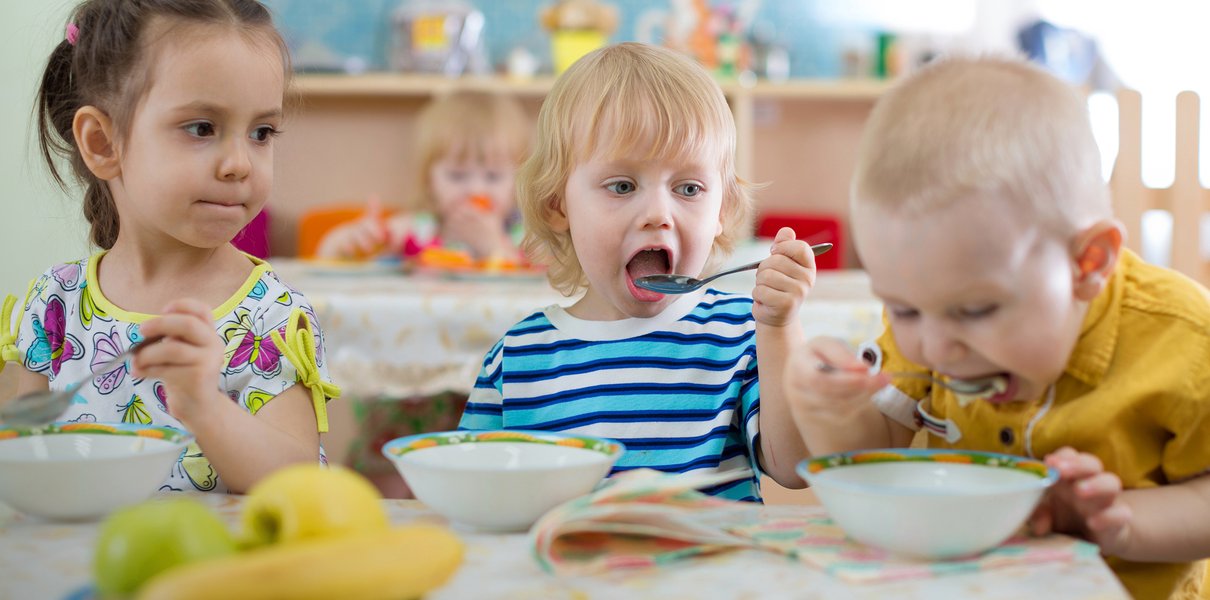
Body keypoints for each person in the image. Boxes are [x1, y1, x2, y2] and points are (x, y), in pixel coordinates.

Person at [786, 56, 1210, 599]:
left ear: (1089, 263)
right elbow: (875, 456)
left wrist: (1122, 519)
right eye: (904, 309)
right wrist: (831, 413)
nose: (935, 348)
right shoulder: (930, 320)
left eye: (975, 312)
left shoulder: (1184, 342)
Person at [1, 0, 339, 494]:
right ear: (102, 143)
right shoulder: (53, 307)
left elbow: (295, 479)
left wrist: (202, 403)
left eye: (261, 132)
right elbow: (17, 451)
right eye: (202, 128)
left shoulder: (270, 317)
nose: (239, 164)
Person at [457, 42, 817, 502]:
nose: (658, 214)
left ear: (722, 210)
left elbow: (794, 468)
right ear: (557, 206)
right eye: (622, 185)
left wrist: (780, 328)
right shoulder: (519, 358)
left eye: (688, 188)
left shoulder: (741, 334)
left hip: (711, 570)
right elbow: (476, 495)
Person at [314, 90, 531, 262]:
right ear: (429, 181)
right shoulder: (419, 229)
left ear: (518, 181)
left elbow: (537, 290)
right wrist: (358, 239)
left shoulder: (525, 236)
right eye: (457, 176)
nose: (475, 190)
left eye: (493, 177)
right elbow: (329, 254)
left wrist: (493, 246)